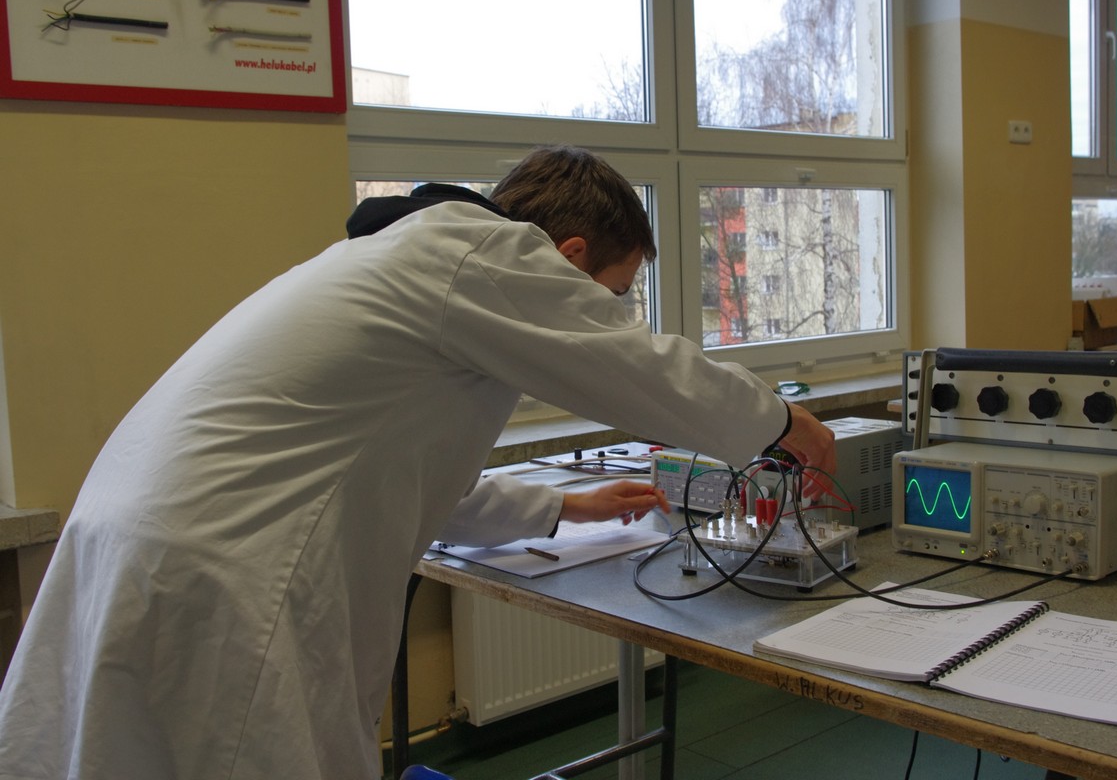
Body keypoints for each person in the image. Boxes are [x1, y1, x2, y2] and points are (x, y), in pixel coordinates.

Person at [0, 146, 836, 780]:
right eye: (613, 295)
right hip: (225, 577)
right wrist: (780, 421)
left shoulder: (396, 262)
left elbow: (397, 475)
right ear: (571, 256)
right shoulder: (481, 254)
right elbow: (640, 369)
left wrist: (558, 507)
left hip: (132, 548)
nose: (608, 315)